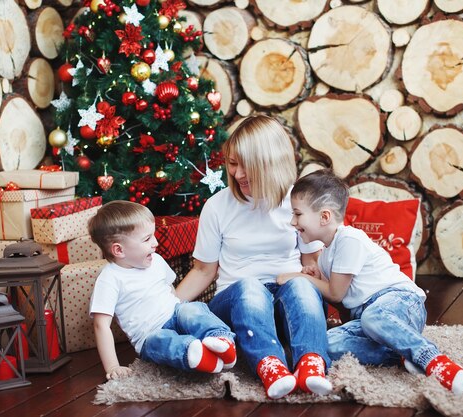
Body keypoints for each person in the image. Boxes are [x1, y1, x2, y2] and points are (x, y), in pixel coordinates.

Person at [175, 115, 332, 399]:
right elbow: (202, 271)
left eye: (246, 165)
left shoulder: (297, 203)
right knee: (250, 287)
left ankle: (312, 363)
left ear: (270, 162)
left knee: (300, 285)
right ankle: (269, 365)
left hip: (286, 302)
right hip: (237, 303)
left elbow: (312, 264)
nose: (236, 174)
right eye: (232, 163)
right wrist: (166, 308)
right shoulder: (217, 207)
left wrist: (318, 282)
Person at [279, 169, 463, 395]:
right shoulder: (326, 254)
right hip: (369, 320)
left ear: (324, 217)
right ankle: (400, 353)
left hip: (399, 303)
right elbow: (343, 303)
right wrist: (316, 276)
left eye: (298, 214)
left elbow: (336, 294)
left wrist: (299, 277)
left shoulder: (349, 239)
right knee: (325, 344)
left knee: (373, 317)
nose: (292, 221)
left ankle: (432, 358)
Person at [88, 200, 236, 381]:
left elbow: (170, 291)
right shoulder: (110, 279)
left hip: (175, 314)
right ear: (119, 250)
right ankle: (194, 353)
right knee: (162, 341)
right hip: (149, 334)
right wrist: (112, 365)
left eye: (153, 235)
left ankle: (222, 340)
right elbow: (101, 325)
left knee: (192, 309)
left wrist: (182, 314)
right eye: (146, 239)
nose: (155, 243)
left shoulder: (156, 260)